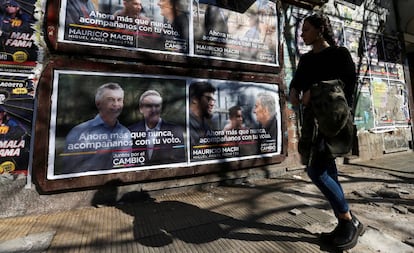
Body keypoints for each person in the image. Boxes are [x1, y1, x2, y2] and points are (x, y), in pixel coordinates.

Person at [289, 13, 363, 251]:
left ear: (320, 30)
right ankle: (350, 221)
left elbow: (348, 89)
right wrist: (294, 91)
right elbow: (298, 83)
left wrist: (316, 90)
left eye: (307, 29)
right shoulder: (306, 59)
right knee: (329, 172)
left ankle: (346, 221)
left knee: (316, 171)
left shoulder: (340, 55)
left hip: (333, 123)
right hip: (312, 125)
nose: (302, 34)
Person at [61, 83, 132, 174]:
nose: (116, 104)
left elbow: (126, 167)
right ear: (98, 104)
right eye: (110, 100)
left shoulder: (125, 133)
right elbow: (70, 170)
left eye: (119, 100)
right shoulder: (80, 132)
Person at [128, 90, 185, 165]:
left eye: (157, 106)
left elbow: (179, 162)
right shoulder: (130, 132)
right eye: (149, 106)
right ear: (141, 109)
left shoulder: (175, 131)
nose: (153, 110)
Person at [189, 81, 216, 147]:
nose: (212, 104)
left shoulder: (206, 124)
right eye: (208, 99)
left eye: (213, 100)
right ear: (195, 99)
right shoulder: (185, 123)